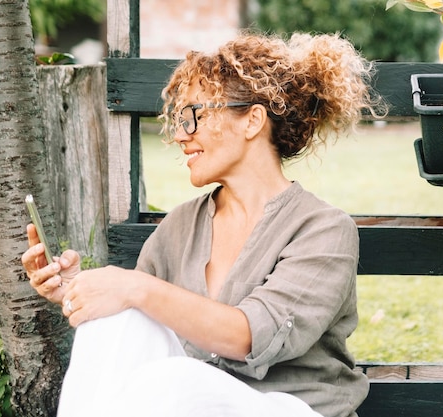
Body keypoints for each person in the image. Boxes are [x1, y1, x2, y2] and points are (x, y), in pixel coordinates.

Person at [22, 31, 385, 417]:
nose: (180, 135)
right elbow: (137, 332)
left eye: (195, 115)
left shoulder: (323, 230)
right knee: (115, 323)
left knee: (176, 380)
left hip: (293, 407)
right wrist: (78, 292)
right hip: (192, 403)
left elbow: (250, 336)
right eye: (179, 120)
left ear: (252, 121)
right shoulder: (181, 226)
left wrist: (134, 286)